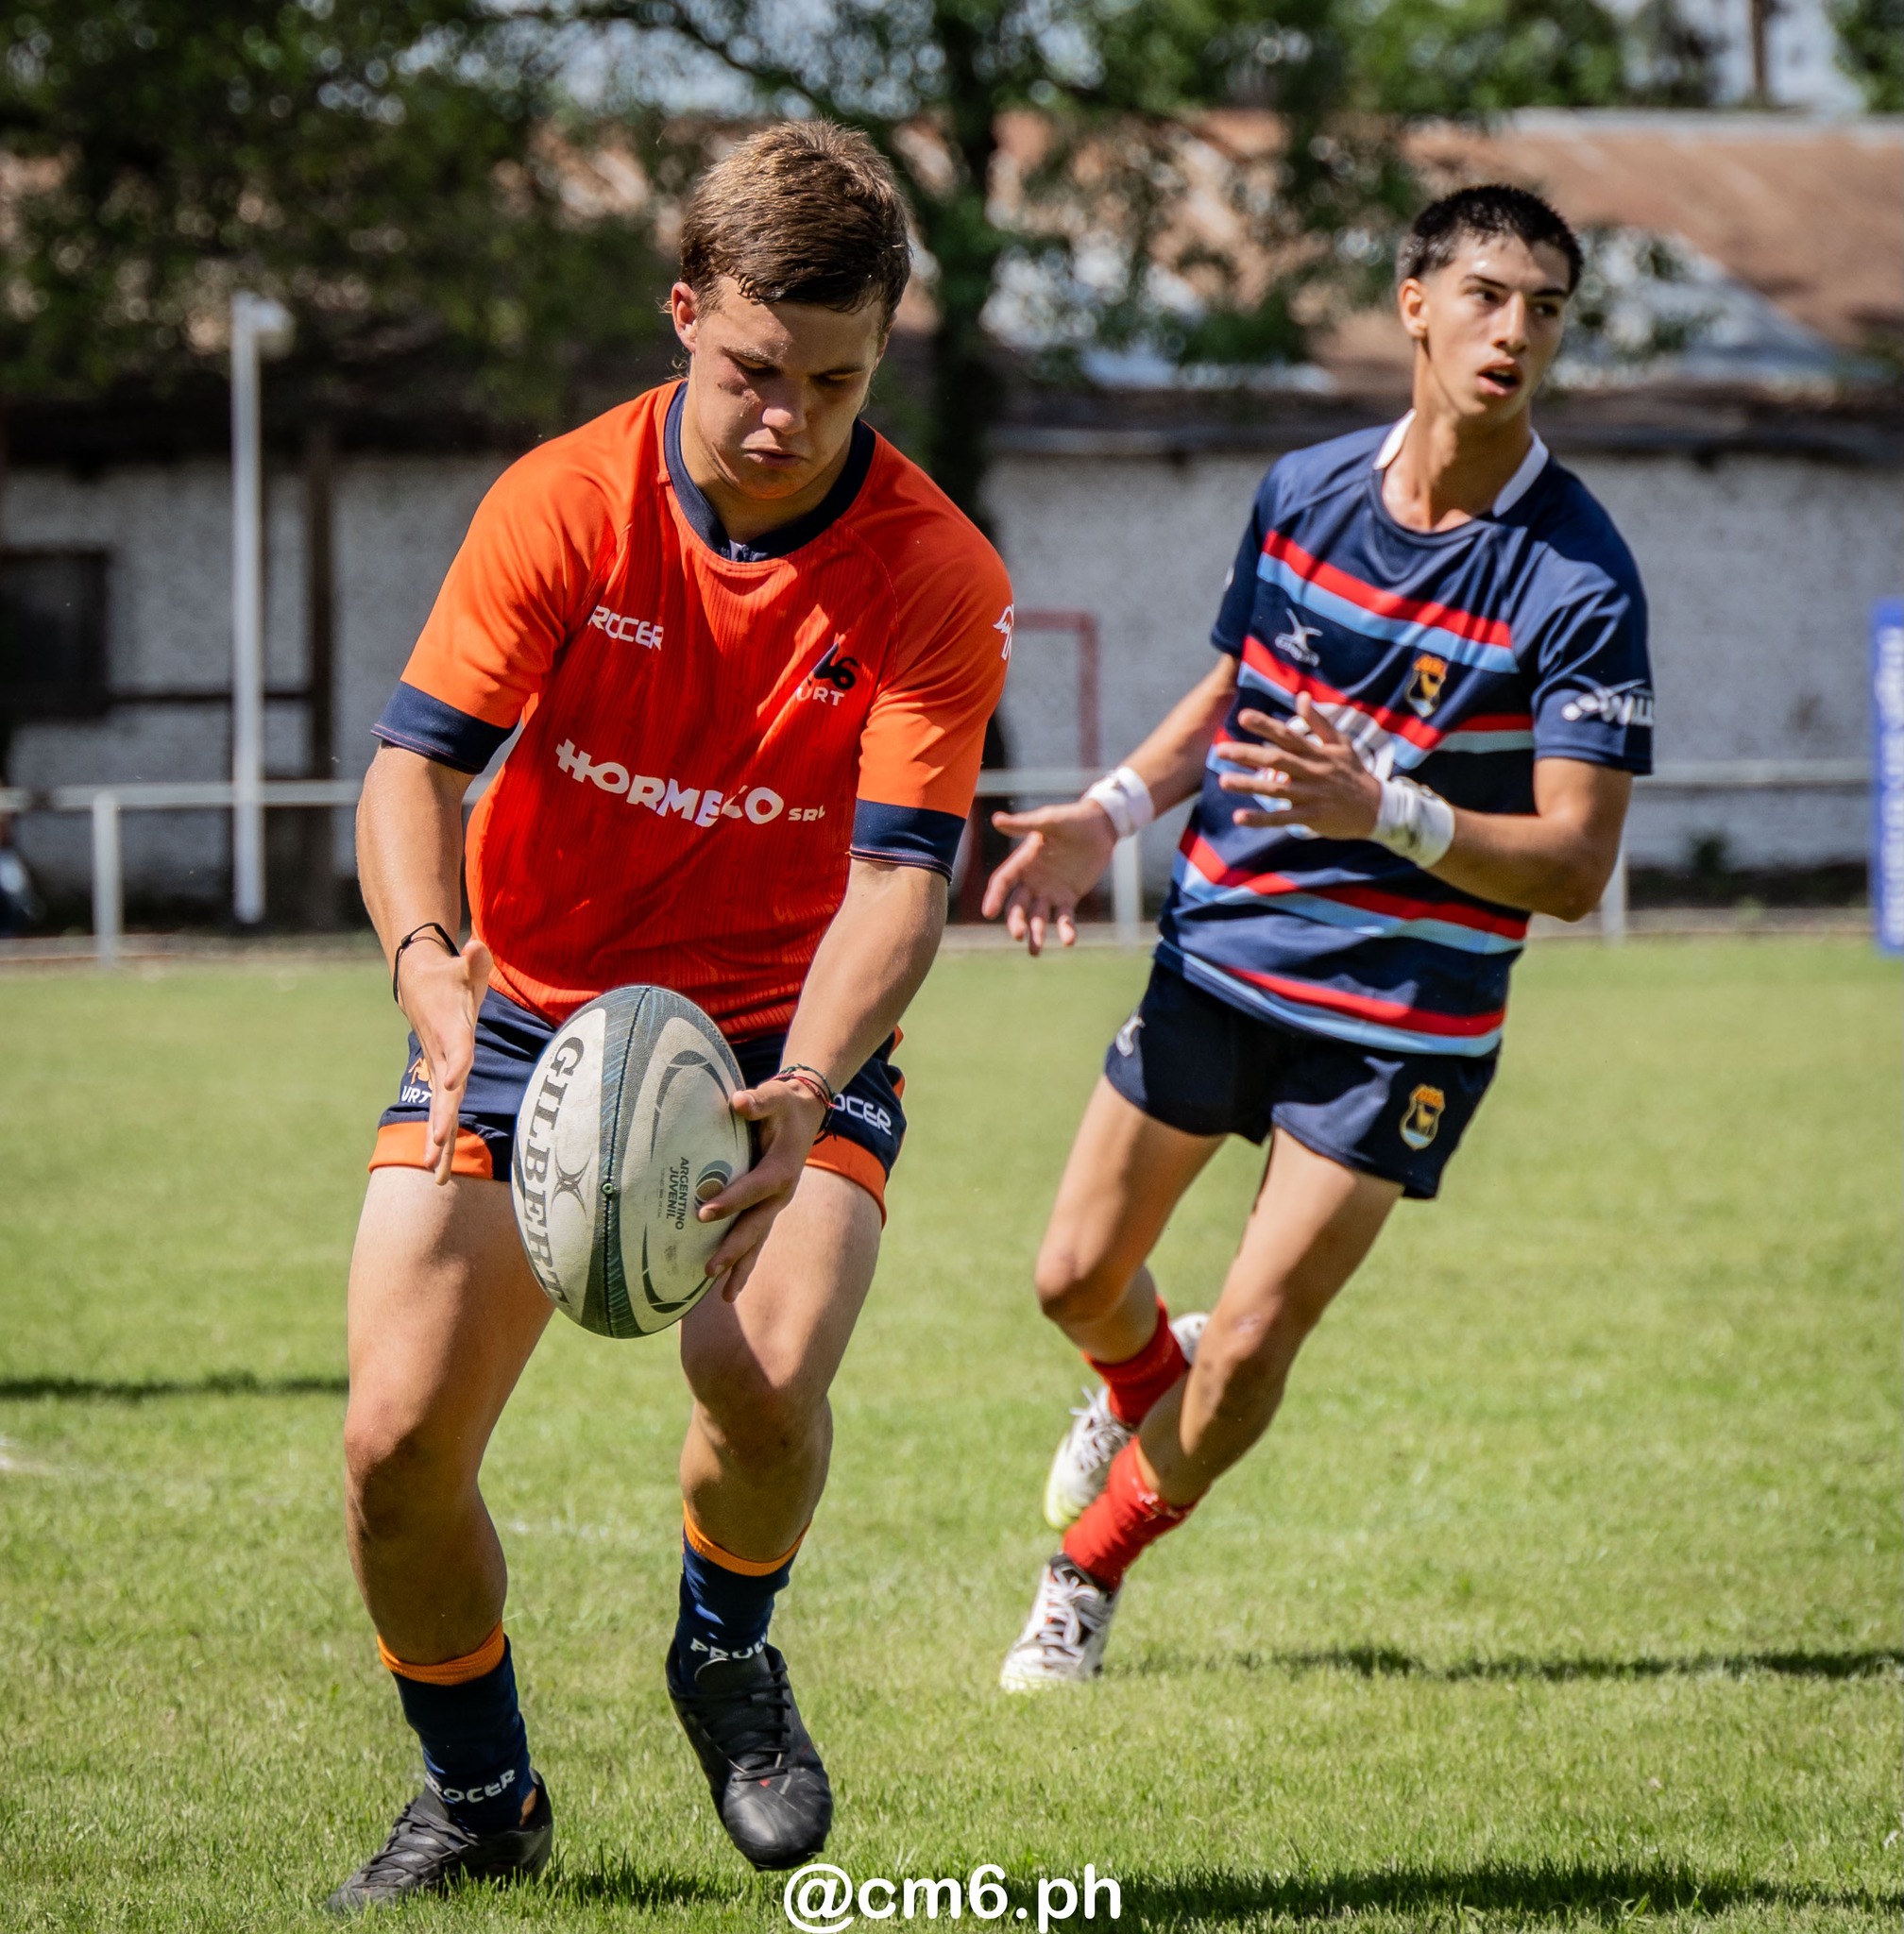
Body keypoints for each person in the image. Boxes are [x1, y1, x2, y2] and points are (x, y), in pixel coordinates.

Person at [329, 122, 1012, 1909]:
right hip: (524, 1009)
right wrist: (427, 964)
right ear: (683, 313)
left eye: (837, 380)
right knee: (395, 1452)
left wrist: (804, 1081)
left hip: (785, 1027)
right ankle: (485, 1796)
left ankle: (724, 1651)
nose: (787, 418)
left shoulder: (936, 573)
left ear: (882, 353)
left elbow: (903, 877)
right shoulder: (566, 499)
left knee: (762, 1377)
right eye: (751, 374)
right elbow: (414, 766)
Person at [983, 186, 1653, 1688]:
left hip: (1403, 1018)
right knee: (1075, 1278)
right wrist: (1107, 813)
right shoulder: (1303, 491)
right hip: (1223, 950)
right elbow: (1236, 697)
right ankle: (1137, 1377)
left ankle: (1084, 1576)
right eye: (1487, 294)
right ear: (1413, 301)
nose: (1516, 331)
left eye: (1546, 308)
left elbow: (1576, 859)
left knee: (1252, 1355)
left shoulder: (1582, 578)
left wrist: (1393, 816)